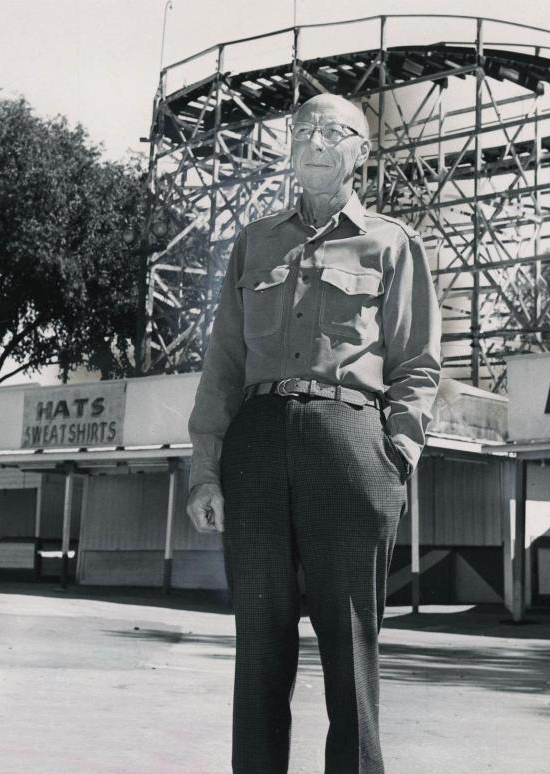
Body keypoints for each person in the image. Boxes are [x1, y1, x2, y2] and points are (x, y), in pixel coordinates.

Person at [185, 92, 442, 774]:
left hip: (350, 441)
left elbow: (416, 363)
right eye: (304, 130)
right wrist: (206, 469)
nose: (316, 142)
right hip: (258, 444)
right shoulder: (255, 242)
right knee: (260, 649)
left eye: (334, 132)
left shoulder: (391, 242)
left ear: (362, 151)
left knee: (349, 650)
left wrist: (396, 456)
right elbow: (224, 366)